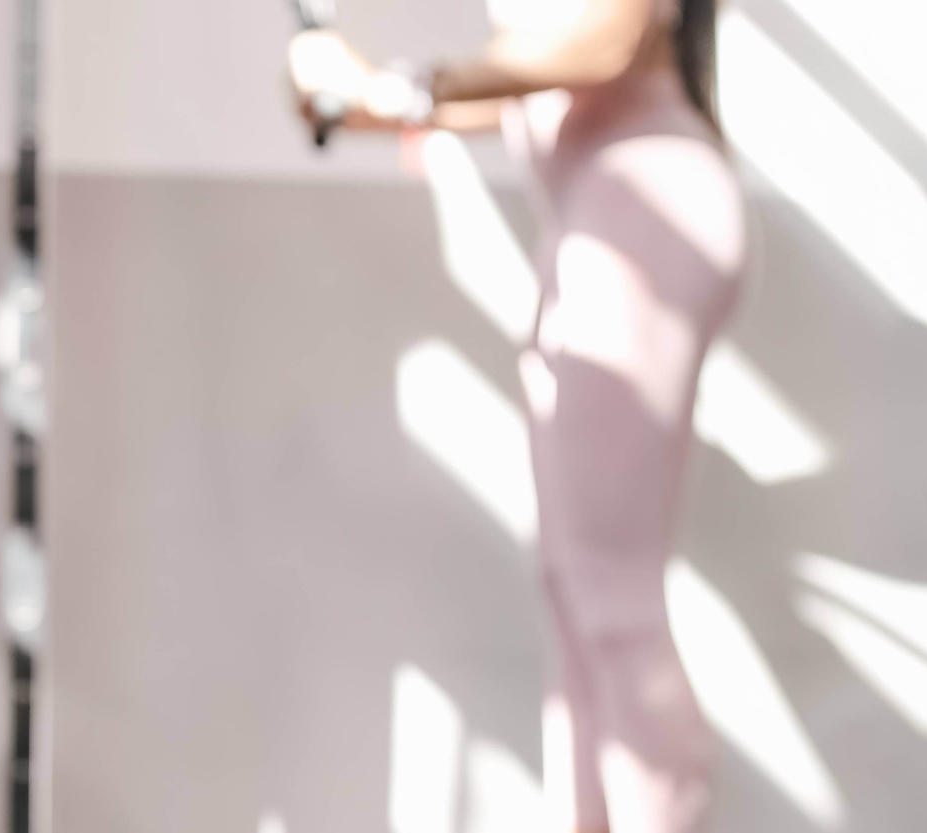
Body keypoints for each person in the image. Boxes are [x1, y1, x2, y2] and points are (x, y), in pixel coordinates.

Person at [286, 0, 746, 831]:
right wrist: (360, 95)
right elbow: (518, 84)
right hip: (606, 223)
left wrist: (415, 87)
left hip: (646, 217)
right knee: (572, 584)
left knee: (610, 590)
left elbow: (607, 37)